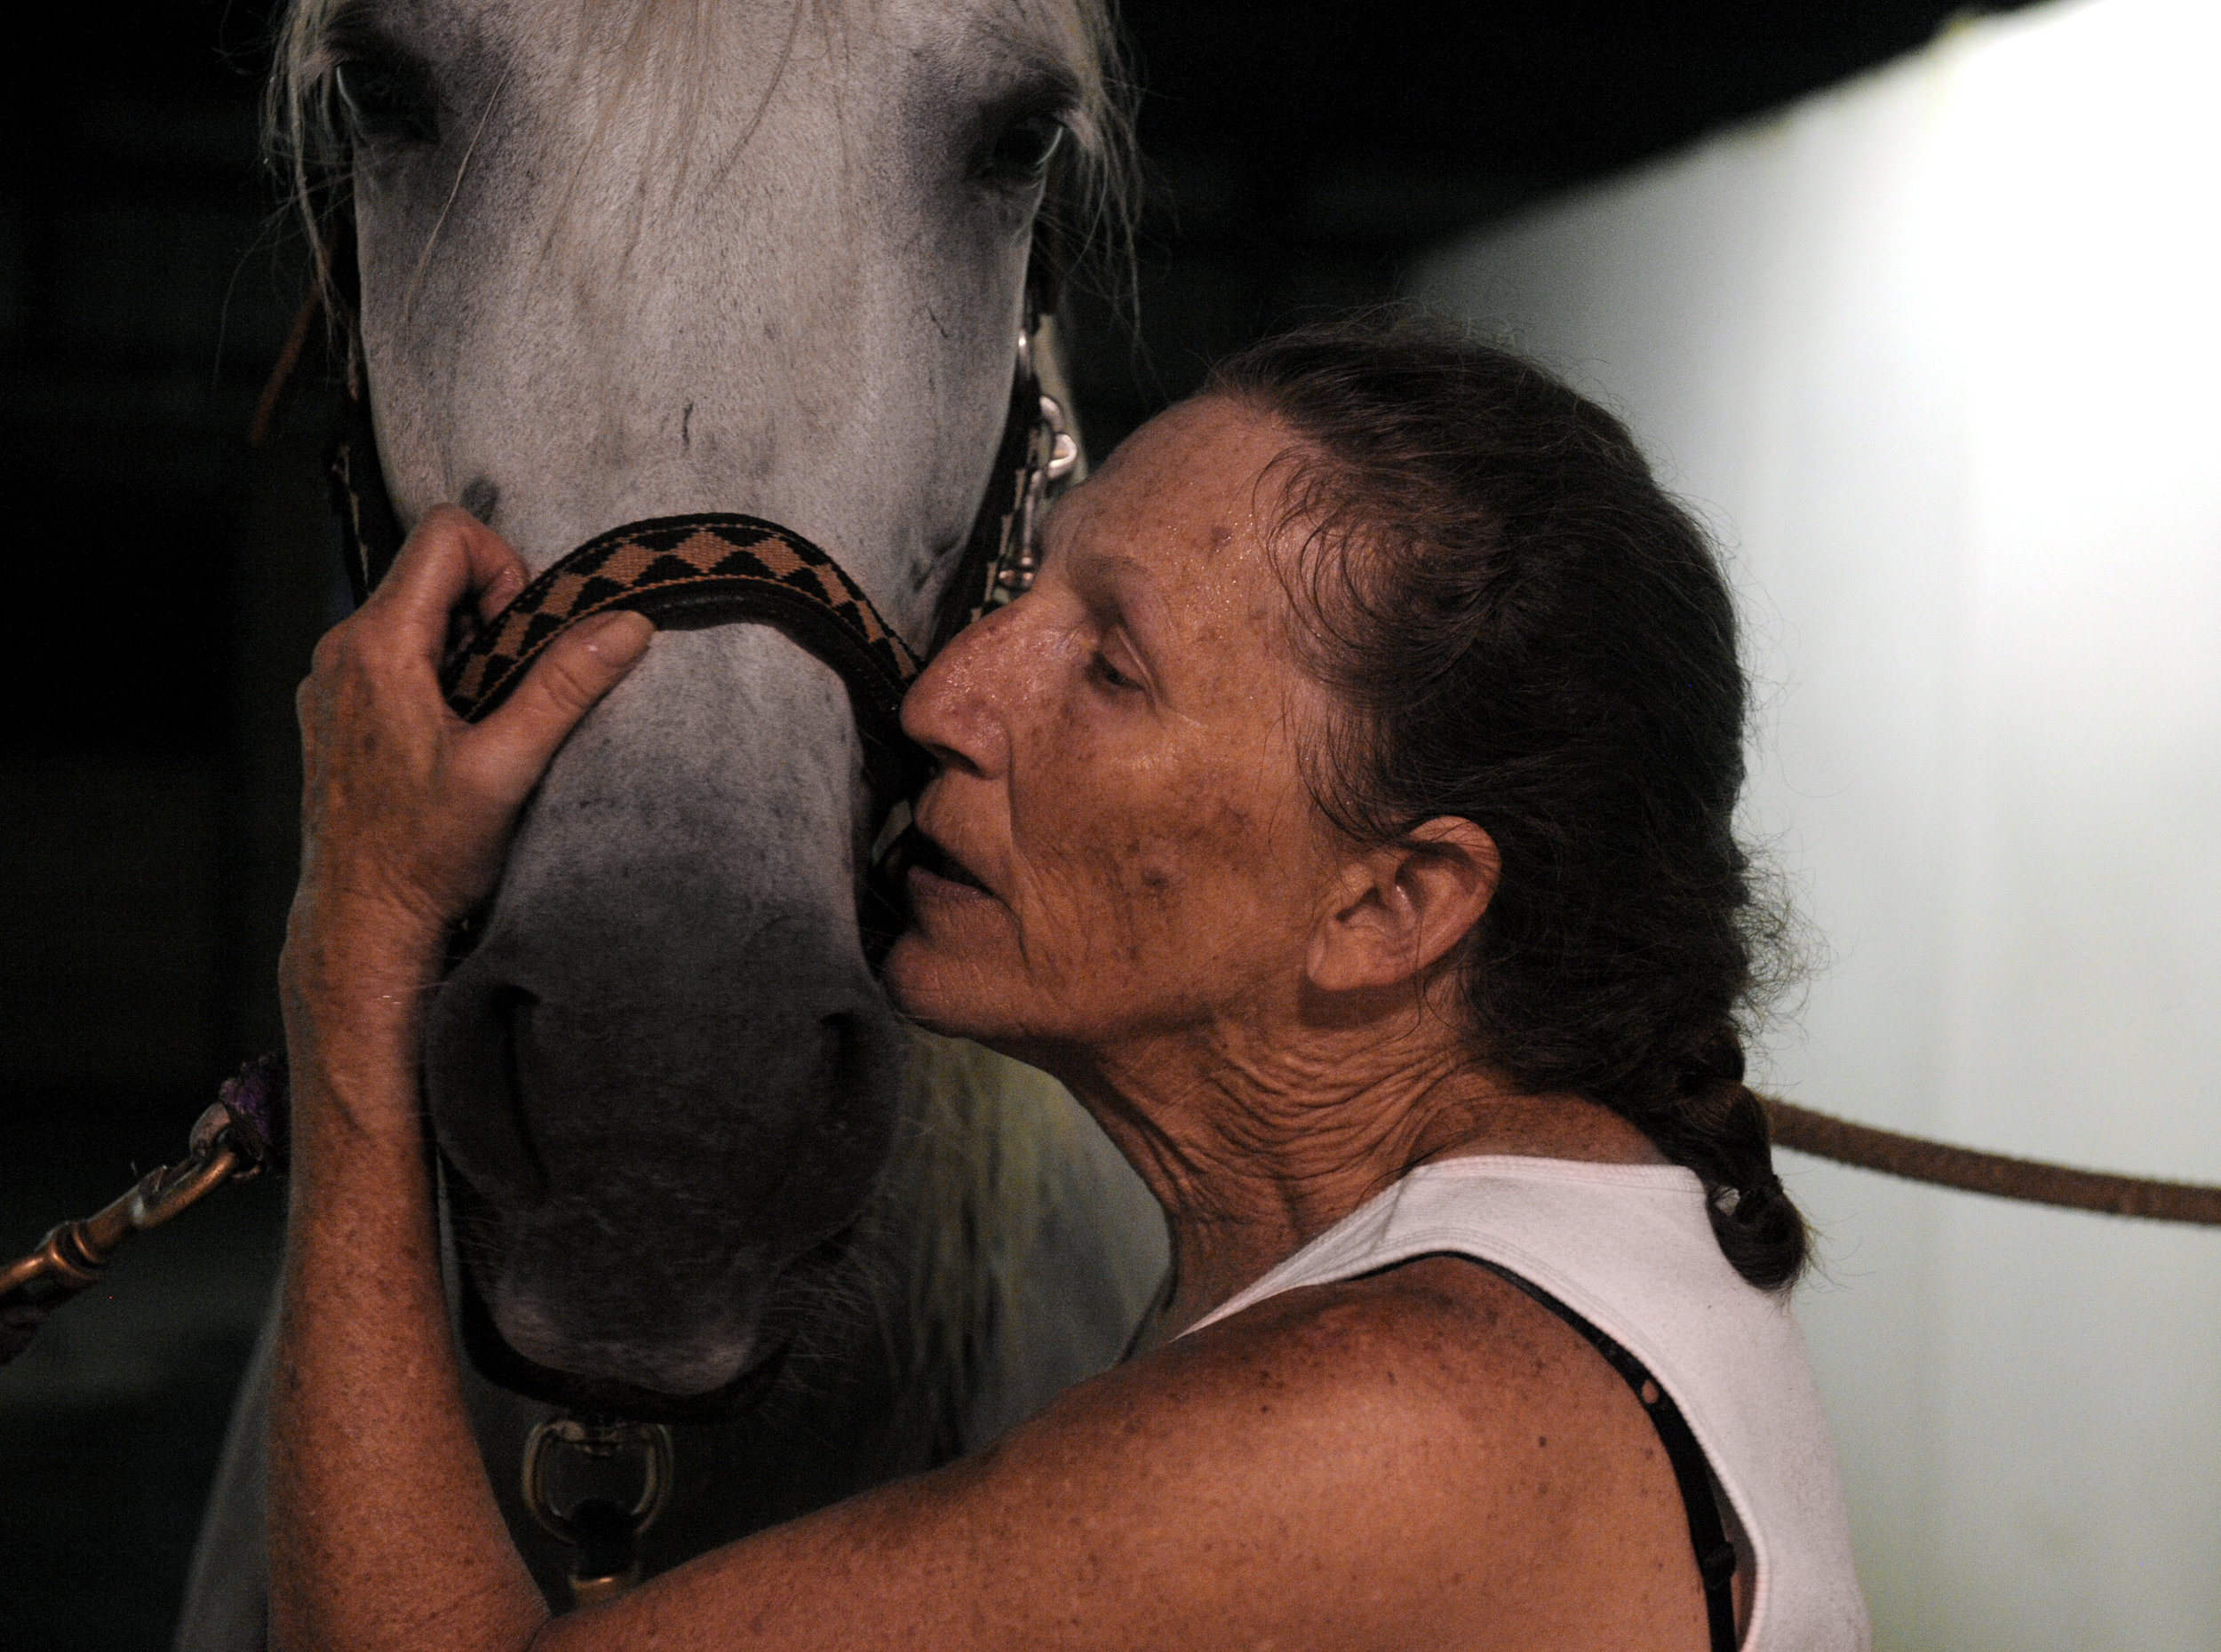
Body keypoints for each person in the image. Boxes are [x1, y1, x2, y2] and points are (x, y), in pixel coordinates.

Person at [271, 322, 1868, 1650]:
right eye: (1028, 591)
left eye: (1108, 669)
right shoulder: (1516, 1272)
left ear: (1395, 902)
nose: (950, 697)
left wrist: (359, 945)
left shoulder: (1396, 1411)